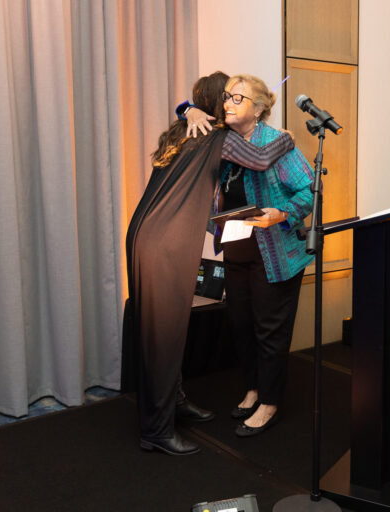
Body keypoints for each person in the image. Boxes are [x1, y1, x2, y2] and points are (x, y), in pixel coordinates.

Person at [125, 71, 295, 455]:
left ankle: (174, 402)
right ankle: (156, 430)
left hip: (145, 235)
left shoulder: (183, 129)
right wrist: (288, 135)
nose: (234, 103)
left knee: (158, 334)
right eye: (230, 98)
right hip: (164, 243)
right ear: (218, 104)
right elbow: (263, 156)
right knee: (163, 339)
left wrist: (186, 110)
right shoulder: (216, 137)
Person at [185, 74, 314, 436]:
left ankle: (269, 402)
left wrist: (283, 212)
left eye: (237, 98)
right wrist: (190, 110)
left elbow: (309, 192)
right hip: (237, 249)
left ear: (258, 109)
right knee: (241, 325)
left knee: (269, 330)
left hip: (275, 252)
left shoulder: (277, 143)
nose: (227, 103)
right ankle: (254, 389)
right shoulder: (224, 142)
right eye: (226, 97)